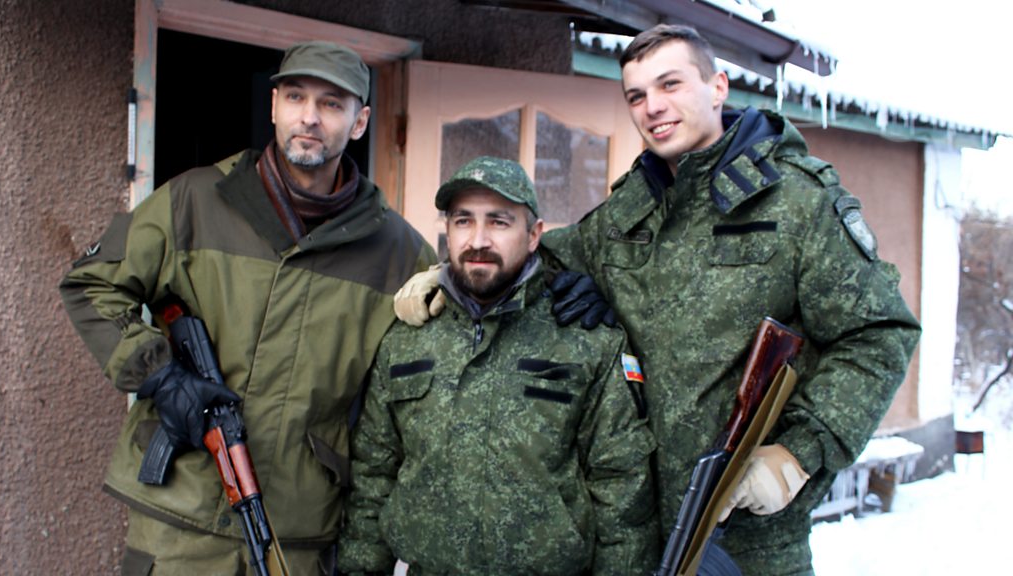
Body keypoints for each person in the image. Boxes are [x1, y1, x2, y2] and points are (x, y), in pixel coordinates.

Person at [392, 25, 921, 575]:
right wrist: (447, 277)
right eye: (636, 95)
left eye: (670, 85)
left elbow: (878, 336)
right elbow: (543, 255)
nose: (653, 107)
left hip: (748, 539)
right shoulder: (633, 206)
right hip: (641, 536)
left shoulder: (797, 203)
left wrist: (797, 452)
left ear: (717, 87)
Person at [59, 41, 436, 575]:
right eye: (296, 97)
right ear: (274, 106)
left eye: (332, 103)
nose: (310, 116)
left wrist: (550, 276)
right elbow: (92, 283)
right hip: (179, 520)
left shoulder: (399, 252)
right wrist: (162, 377)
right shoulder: (193, 199)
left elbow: (452, 345)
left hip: (296, 529)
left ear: (360, 122)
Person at [337, 156, 660, 575]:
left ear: (534, 235)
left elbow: (621, 488)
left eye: (499, 222)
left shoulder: (586, 339)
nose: (478, 240)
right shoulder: (406, 340)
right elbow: (373, 476)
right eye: (463, 221)